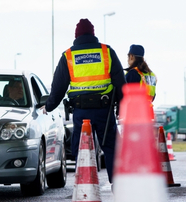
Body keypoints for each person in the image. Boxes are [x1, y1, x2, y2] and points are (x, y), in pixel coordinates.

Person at [41, 18, 126, 184]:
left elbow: (58, 87)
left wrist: (49, 106)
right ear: (93, 34)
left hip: (81, 112)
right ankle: (119, 187)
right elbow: (121, 84)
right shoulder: (106, 52)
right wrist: (120, 109)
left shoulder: (68, 55)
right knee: (112, 149)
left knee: (81, 149)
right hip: (105, 110)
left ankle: (84, 188)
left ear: (76, 35)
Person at [125, 44, 157, 111]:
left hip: (135, 112)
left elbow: (124, 94)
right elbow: (153, 96)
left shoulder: (133, 73)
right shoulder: (151, 74)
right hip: (148, 112)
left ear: (131, 56)